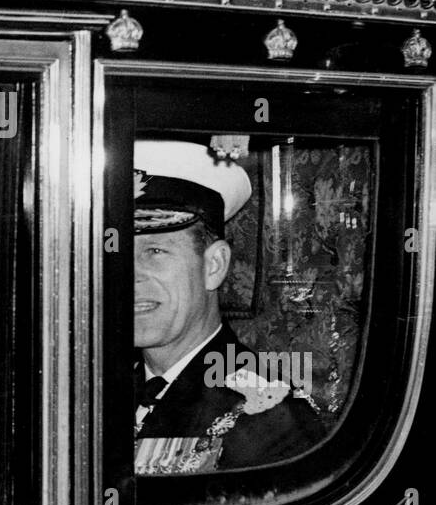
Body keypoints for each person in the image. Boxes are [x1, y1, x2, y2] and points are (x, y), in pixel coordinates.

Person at [132, 141, 324, 475]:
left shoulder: (268, 414)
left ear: (214, 265)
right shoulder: (92, 388)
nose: (129, 275)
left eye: (155, 251)